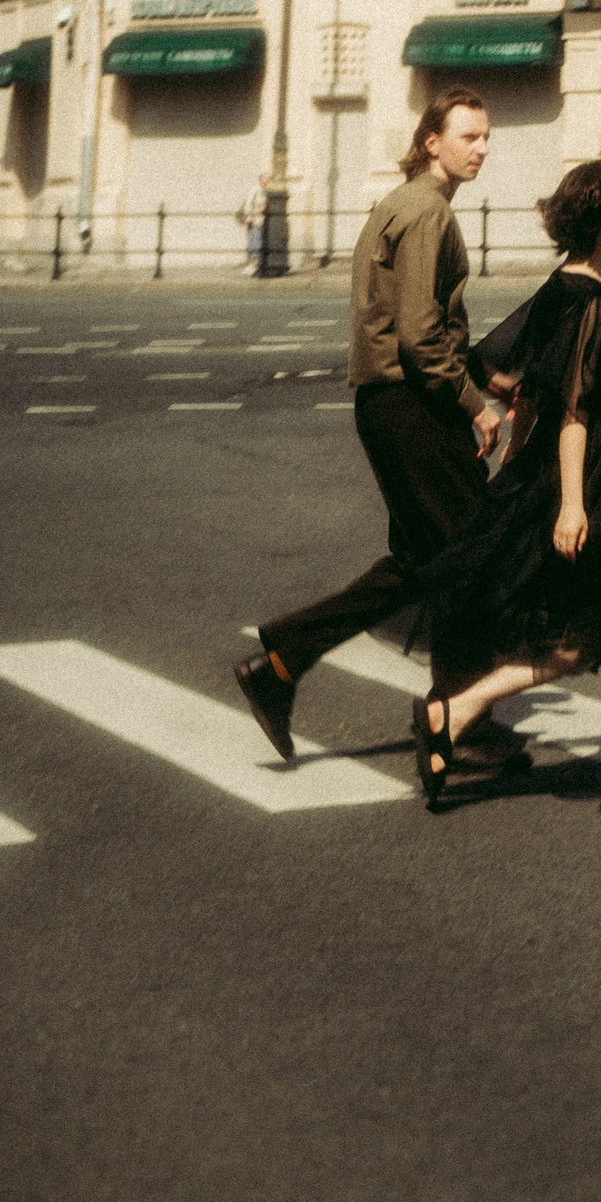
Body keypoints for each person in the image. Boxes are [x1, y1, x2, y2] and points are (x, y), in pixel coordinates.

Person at [411, 158, 601, 817]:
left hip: (589, 476)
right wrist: (571, 503)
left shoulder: (559, 288)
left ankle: (468, 717)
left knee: (595, 630)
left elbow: (499, 365)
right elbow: (577, 409)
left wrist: (516, 408)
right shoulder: (592, 302)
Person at [233, 90, 503, 763]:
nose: (481, 148)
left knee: (420, 563)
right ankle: (457, 719)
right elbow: (418, 336)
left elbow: (422, 323)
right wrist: (476, 403)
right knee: (471, 556)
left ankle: (282, 661)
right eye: (467, 136)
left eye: (486, 137)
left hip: (393, 405)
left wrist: (481, 375)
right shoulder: (426, 212)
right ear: (431, 141)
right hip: (411, 406)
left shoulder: (407, 203)